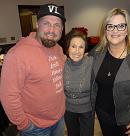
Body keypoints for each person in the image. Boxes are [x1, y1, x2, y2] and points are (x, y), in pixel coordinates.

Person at [0, 3, 66, 136]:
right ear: (37, 24)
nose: (51, 30)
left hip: (59, 120)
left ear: (62, 28)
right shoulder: (17, 54)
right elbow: (9, 97)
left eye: (57, 25)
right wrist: (24, 124)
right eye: (46, 23)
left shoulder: (58, 49)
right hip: (36, 128)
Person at [89, 8, 130, 136]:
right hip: (103, 115)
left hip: (129, 122)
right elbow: (83, 62)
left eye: (121, 26)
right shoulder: (97, 52)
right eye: (110, 26)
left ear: (127, 30)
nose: (115, 30)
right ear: (105, 30)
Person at [64, 29, 95, 136]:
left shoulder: (92, 62)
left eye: (81, 47)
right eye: (73, 46)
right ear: (68, 48)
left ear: (85, 50)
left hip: (87, 111)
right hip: (68, 110)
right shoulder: (61, 64)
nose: (77, 51)